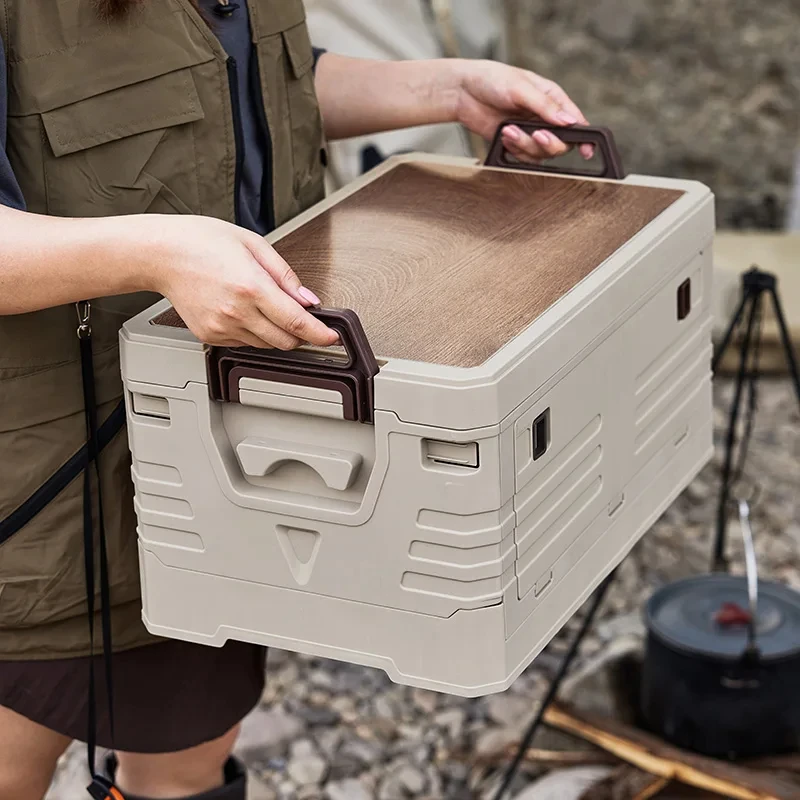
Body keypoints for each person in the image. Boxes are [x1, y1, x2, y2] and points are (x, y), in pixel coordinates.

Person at [0, 1, 591, 798]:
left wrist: (446, 89)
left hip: (212, 463)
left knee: (187, 760)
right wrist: (157, 253)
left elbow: (264, 77)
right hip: (36, 493)